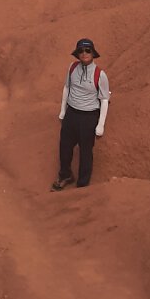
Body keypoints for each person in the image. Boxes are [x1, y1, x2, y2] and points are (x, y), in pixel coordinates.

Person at [51, 38, 109, 190]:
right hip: (72, 113)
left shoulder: (100, 75)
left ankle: (82, 185)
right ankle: (65, 175)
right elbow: (67, 88)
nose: (84, 54)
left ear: (93, 53)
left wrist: (100, 125)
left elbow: (104, 99)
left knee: (85, 151)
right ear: (77, 54)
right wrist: (63, 111)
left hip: (88, 117)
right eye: (81, 51)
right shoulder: (72, 68)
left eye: (88, 50)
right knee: (65, 146)